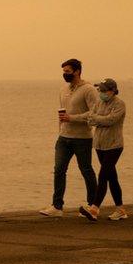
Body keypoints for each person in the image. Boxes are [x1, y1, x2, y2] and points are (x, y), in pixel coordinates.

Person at [40, 58, 99, 217]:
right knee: (59, 170)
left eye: (67, 71)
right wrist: (61, 127)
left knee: (86, 170)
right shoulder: (63, 90)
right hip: (64, 137)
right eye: (63, 72)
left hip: (82, 137)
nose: (64, 74)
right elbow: (62, 113)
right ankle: (57, 206)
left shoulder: (89, 89)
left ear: (77, 71)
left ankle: (91, 205)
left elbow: (94, 113)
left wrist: (72, 118)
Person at [80, 78, 128, 221]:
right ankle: (120, 209)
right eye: (99, 89)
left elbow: (111, 120)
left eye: (103, 90)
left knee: (103, 175)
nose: (100, 92)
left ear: (112, 91)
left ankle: (94, 208)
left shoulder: (120, 104)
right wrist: (98, 118)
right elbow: (90, 118)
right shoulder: (99, 102)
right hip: (100, 144)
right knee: (112, 177)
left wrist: (97, 119)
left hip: (114, 145)